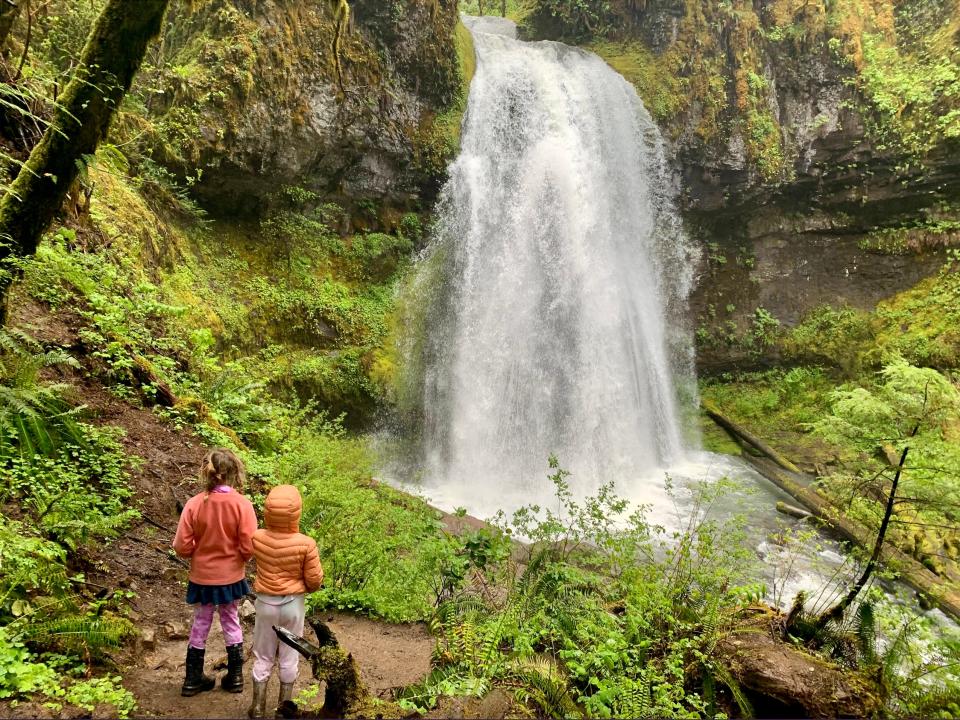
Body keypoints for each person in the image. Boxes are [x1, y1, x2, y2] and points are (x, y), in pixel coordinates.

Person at [173, 448, 257, 697]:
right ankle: (235, 677)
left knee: (201, 622)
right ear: (234, 473)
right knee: (231, 621)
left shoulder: (194, 504)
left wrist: (197, 553)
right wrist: (239, 557)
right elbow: (249, 545)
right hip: (231, 577)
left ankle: (192, 679)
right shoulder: (242, 504)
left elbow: (181, 546)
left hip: (202, 577)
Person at [248, 484, 323, 718]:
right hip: (293, 605)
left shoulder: (257, 538)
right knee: (290, 655)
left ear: (268, 512)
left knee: (263, 654)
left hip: (265, 604)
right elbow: (314, 580)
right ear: (296, 513)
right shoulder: (306, 543)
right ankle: (284, 709)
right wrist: (306, 587)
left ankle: (258, 707)